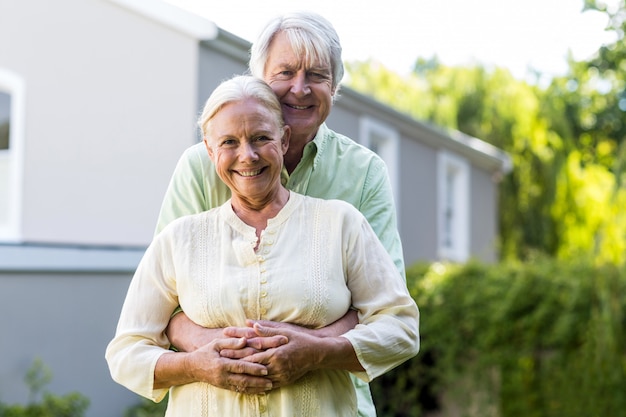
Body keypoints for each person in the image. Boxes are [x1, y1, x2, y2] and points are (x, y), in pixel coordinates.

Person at [106, 75, 419, 416]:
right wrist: (196, 366)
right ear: (210, 151)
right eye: (229, 142)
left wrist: (317, 351)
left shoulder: (341, 224)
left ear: (284, 140)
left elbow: (400, 326)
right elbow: (125, 353)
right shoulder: (179, 239)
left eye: (260, 138)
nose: (248, 155)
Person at [158, 12, 406, 416]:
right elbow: (164, 304)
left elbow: (382, 307)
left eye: (317, 75)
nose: (300, 88)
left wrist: (312, 352)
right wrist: (225, 353)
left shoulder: (364, 174)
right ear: (259, 79)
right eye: (286, 72)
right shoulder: (201, 168)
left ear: (335, 86)